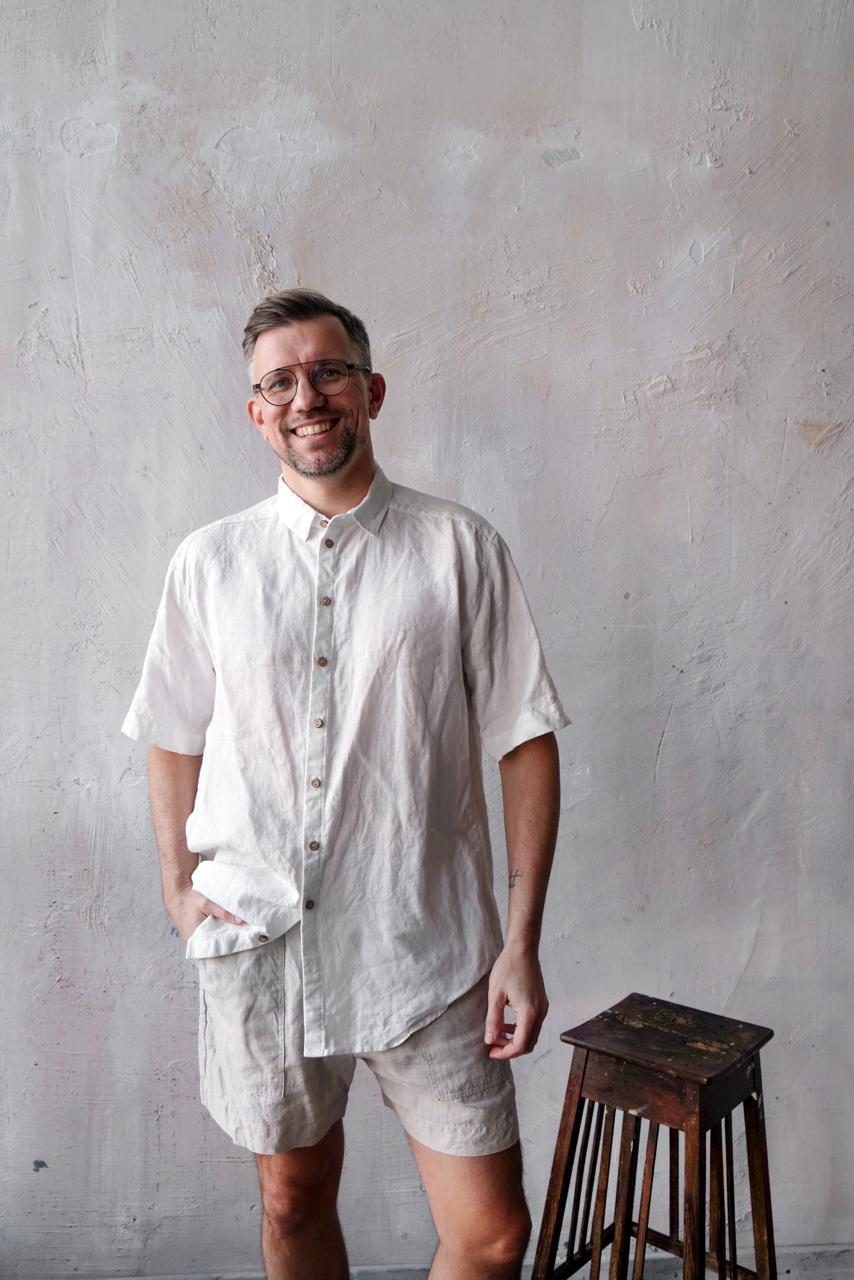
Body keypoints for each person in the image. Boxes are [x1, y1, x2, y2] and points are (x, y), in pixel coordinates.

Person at [121, 288, 570, 1280]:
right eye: (277, 380)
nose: (304, 396)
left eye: (326, 372)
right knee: (292, 1195)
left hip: (429, 942)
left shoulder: (457, 547)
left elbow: (523, 737)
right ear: (254, 411)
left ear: (369, 389)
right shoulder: (211, 561)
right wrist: (175, 887)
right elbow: (169, 731)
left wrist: (520, 940)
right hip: (259, 940)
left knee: (491, 1234)